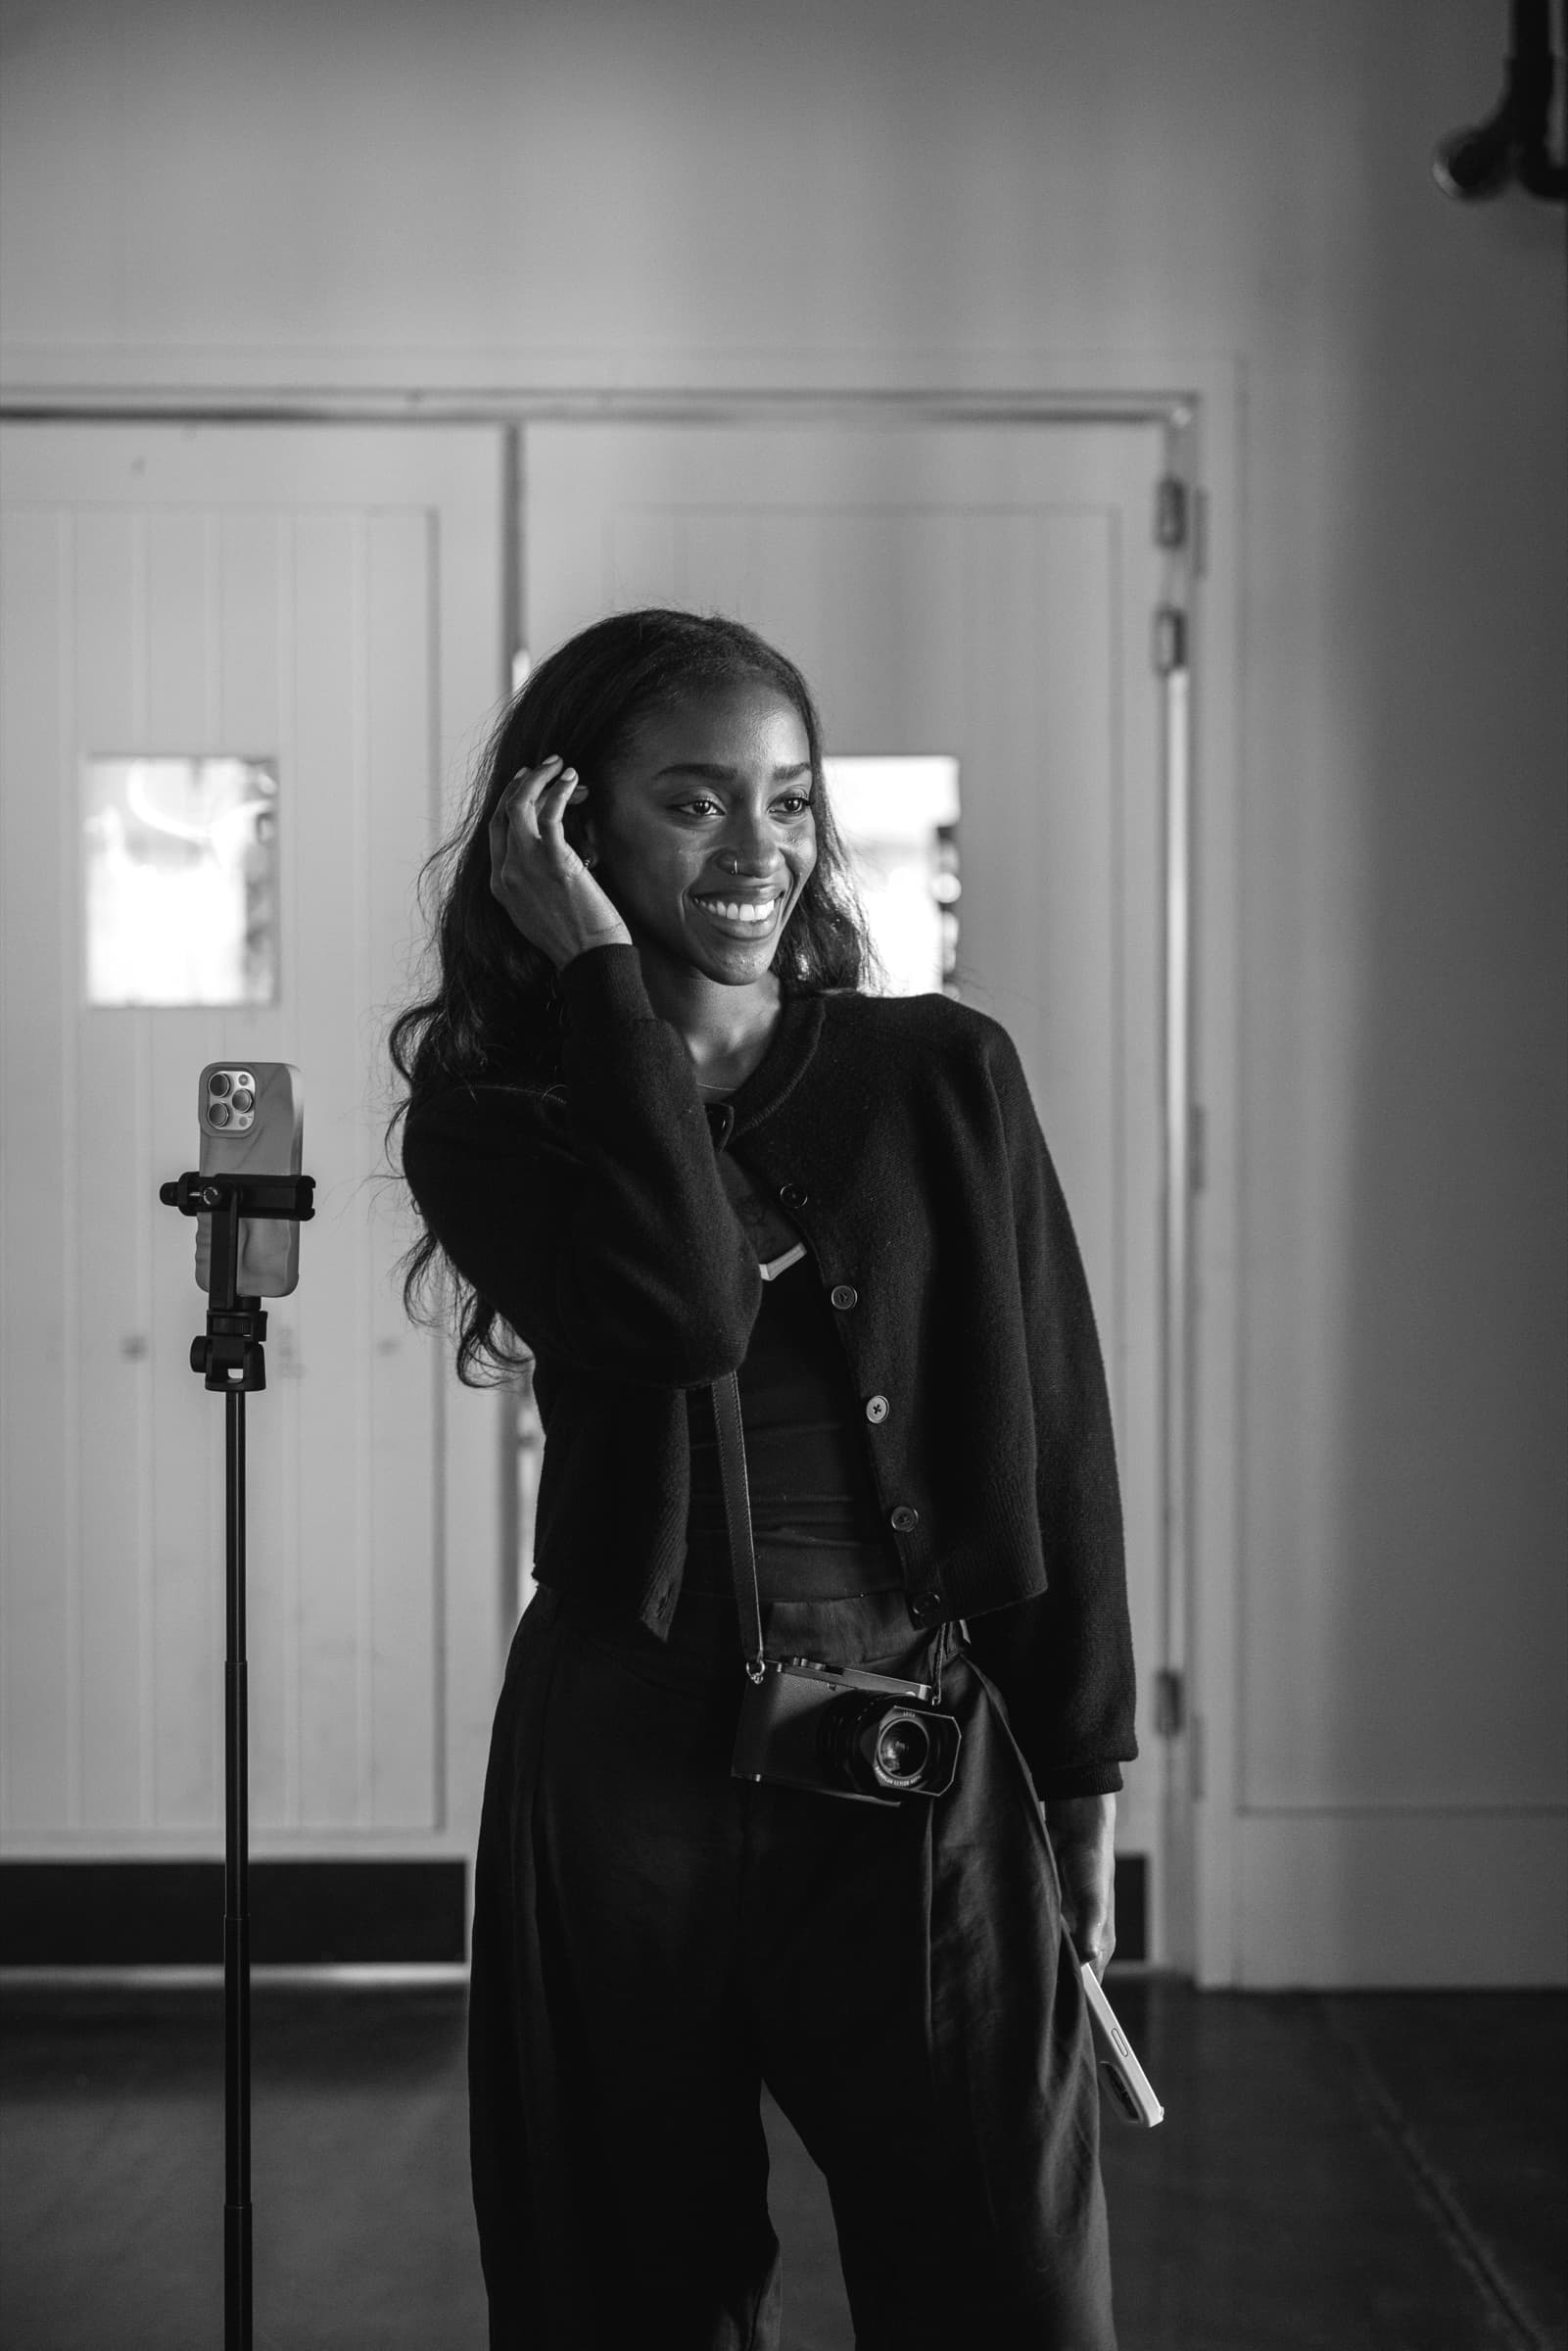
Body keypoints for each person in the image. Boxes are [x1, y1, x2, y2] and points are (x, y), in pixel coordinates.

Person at [390, 608, 1136, 2350]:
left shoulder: (939, 1072)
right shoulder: (495, 1111)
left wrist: (1084, 1768)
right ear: (565, 829)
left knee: (1005, 2288)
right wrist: (596, 987)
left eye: (790, 800)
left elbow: (1054, 1433)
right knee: (632, 2289)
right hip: (622, 1769)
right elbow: (685, 1306)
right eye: (695, 802)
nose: (759, 850)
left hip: (913, 1751)